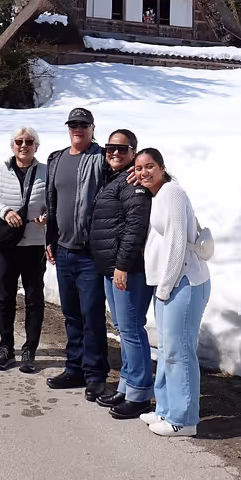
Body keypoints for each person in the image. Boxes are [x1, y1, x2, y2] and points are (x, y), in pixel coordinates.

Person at [134, 148, 211, 437]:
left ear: (163, 167)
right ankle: (165, 409)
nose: (144, 173)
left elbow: (178, 242)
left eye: (149, 166)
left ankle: (184, 419)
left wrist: (165, 287)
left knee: (180, 351)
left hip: (184, 282)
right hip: (170, 284)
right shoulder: (158, 195)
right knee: (167, 349)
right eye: (139, 168)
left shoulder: (172, 193)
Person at [44, 107, 110, 401]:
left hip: (89, 253)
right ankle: (75, 369)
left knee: (92, 315)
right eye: (73, 124)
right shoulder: (56, 159)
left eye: (83, 124)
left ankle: (96, 374)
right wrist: (50, 238)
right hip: (63, 250)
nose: (78, 128)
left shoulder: (101, 158)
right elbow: (53, 200)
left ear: (93, 128)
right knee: (71, 313)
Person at [89, 129, 154, 419]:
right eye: (110, 148)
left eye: (122, 149)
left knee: (131, 330)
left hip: (127, 271)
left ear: (133, 152)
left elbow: (135, 228)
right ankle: (128, 386)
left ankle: (140, 393)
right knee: (123, 329)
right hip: (111, 269)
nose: (114, 153)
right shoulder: (116, 178)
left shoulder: (134, 184)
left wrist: (123, 266)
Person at [0, 126, 48, 373]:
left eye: (29, 141)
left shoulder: (45, 172)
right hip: (8, 245)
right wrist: (5, 212)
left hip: (34, 245)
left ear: (36, 147)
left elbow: (55, 203)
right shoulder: (1, 172)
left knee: (34, 298)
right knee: (5, 297)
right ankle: (6, 348)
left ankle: (30, 350)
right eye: (19, 141)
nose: (23, 145)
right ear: (12, 146)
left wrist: (47, 216)